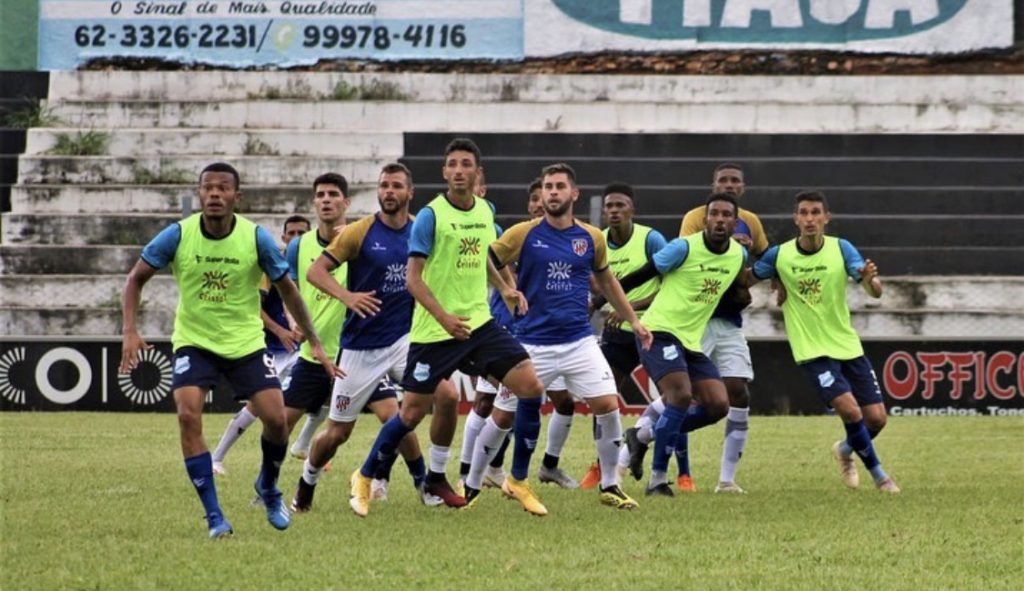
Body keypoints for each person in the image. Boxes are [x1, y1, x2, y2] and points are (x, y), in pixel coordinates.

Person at [120, 162, 342, 538]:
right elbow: (135, 278)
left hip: (245, 343)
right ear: (199, 194)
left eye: (223, 189)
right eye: (208, 188)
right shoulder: (177, 235)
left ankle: (268, 486)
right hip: (195, 341)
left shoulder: (256, 238)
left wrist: (316, 343)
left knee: (276, 419)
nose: (215, 195)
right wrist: (129, 329)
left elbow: (289, 291)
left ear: (237, 197)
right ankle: (214, 517)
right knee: (188, 414)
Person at [348, 138, 547, 517]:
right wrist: (443, 318)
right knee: (410, 415)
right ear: (444, 172)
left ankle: (517, 480)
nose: (458, 170)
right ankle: (364, 474)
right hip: (435, 331)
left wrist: (504, 287)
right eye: (452, 164)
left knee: (531, 387)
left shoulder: (486, 210)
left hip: (479, 324)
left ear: (477, 172)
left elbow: (483, 256)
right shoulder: (430, 216)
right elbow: (413, 279)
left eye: (466, 164)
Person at [467, 163, 653, 512]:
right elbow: (485, 259)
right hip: (531, 344)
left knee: (608, 404)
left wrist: (634, 321)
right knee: (502, 415)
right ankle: (472, 485)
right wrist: (506, 288)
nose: (552, 192)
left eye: (559, 187)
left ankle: (610, 484)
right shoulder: (523, 234)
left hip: (579, 341)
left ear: (574, 194)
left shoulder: (590, 238)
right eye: (548, 187)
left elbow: (608, 281)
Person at [291, 163, 435, 512]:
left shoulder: (420, 231)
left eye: (396, 185)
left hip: (402, 341)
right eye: (383, 185)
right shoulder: (359, 232)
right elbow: (314, 272)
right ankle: (307, 481)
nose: (388, 191)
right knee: (338, 433)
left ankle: (424, 482)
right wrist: (347, 296)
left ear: (409, 192)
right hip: (359, 349)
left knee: (428, 400)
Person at [623, 163, 771, 493]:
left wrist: (774, 281)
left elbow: (739, 289)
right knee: (680, 395)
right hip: (659, 331)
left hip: (691, 339)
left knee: (718, 404)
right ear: (705, 219)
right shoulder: (684, 247)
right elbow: (645, 275)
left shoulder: (736, 254)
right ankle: (658, 480)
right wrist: (613, 302)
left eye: (726, 216)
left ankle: (642, 435)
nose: (720, 219)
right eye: (714, 214)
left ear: (736, 222)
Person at [741, 191, 899, 493]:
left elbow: (873, 290)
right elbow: (748, 279)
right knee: (851, 412)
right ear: (796, 218)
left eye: (816, 213)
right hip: (812, 349)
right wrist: (743, 258)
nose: (810, 218)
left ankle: (844, 450)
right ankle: (881, 476)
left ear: (826, 218)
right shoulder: (780, 255)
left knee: (877, 419)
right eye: (804, 213)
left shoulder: (841, 249)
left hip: (847, 344)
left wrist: (869, 279)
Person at [458, 177, 579, 492]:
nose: (541, 205)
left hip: (548, 335)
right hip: (505, 326)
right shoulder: (513, 237)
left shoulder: (567, 238)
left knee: (563, 402)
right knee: (489, 402)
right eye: (536, 200)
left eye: (547, 199)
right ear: (530, 204)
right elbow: (479, 262)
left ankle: (546, 466)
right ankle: (467, 473)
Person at [211, 215, 309, 475]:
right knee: (259, 407)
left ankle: (303, 445)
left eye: (303, 233)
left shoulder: (316, 264)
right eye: (292, 233)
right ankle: (217, 457)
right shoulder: (271, 267)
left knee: (326, 396)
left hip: (305, 350)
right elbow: (254, 306)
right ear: (284, 238)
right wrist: (282, 331)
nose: (297, 238)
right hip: (274, 350)